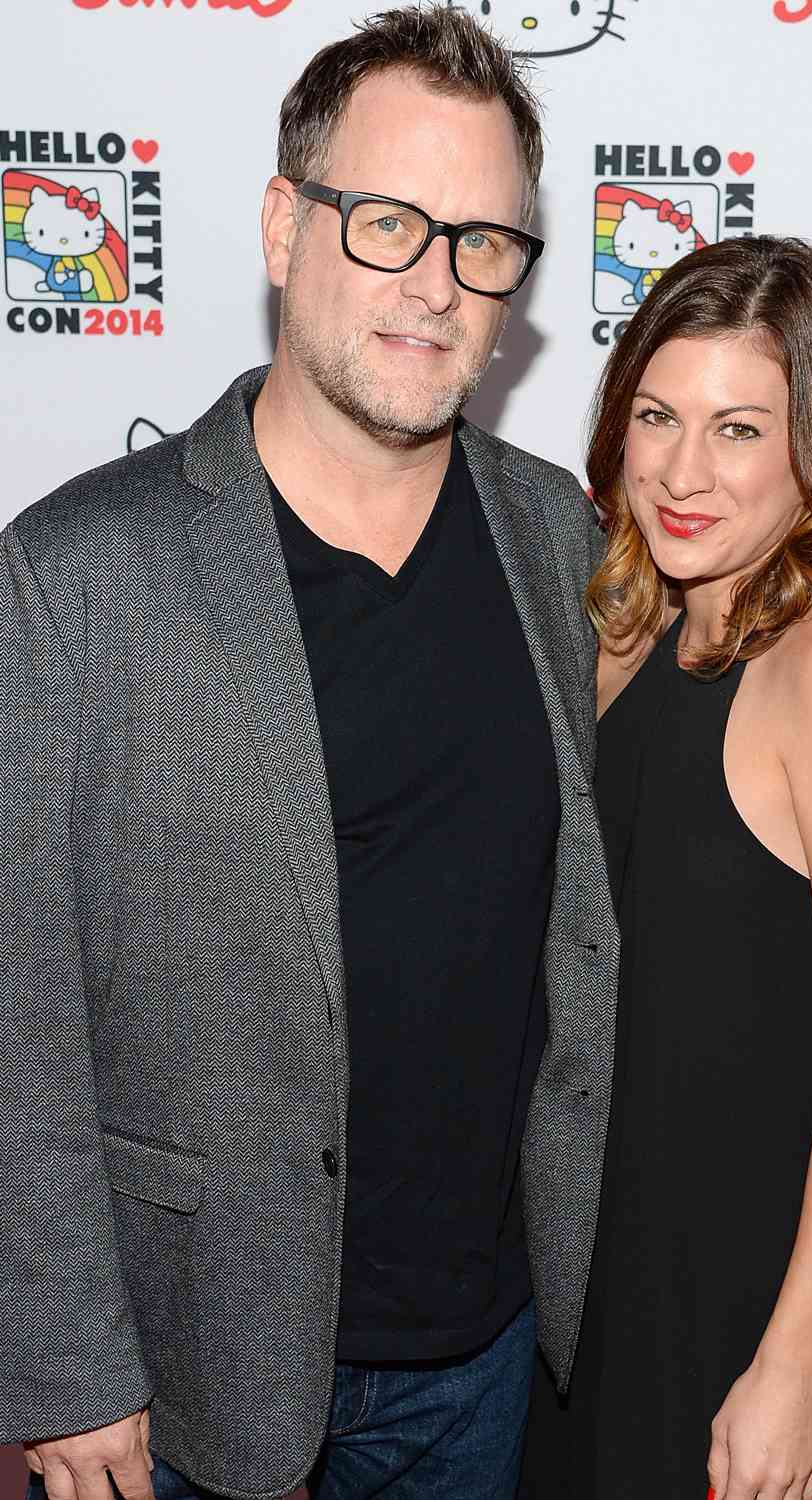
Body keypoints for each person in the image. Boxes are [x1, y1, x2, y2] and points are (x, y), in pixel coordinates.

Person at [0, 9, 618, 1500]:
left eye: (485, 242)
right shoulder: (77, 571)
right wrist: (66, 1362)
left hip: (493, 1354)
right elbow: (14, 995)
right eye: (390, 222)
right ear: (285, 226)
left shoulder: (561, 537)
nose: (438, 285)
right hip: (186, 1371)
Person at [520, 236, 812, 1500]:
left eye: (738, 429)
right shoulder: (627, 624)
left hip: (718, 1301)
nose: (680, 471)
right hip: (567, 1278)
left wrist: (789, 1368)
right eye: (657, 416)